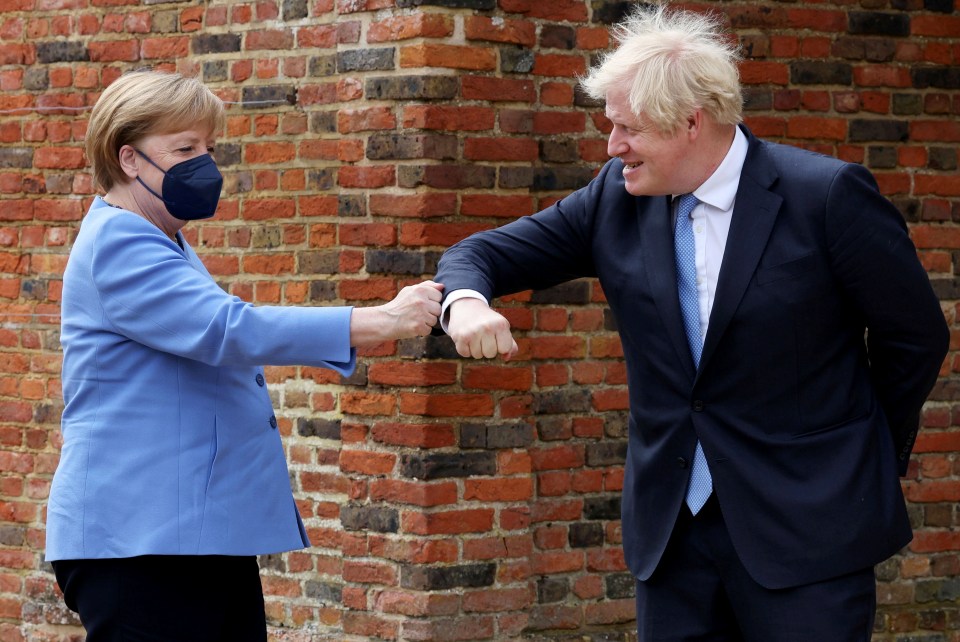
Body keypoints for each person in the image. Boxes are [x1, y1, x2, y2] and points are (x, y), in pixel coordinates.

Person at [436, 4, 948, 640]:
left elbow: (915, 338)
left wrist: (858, 453)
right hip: (672, 542)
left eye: (626, 129)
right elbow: (477, 254)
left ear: (689, 123)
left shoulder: (826, 197)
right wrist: (466, 301)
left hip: (809, 535)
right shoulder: (612, 199)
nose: (611, 145)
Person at [46, 69, 443, 641]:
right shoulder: (120, 242)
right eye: (184, 149)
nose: (203, 163)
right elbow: (227, 330)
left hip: (189, 536)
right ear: (129, 159)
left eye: (208, 147)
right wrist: (379, 321)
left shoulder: (162, 238)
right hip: (138, 542)